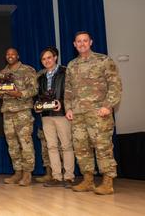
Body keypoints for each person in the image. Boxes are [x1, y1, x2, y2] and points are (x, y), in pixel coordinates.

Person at [64, 31, 122, 195]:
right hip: (78, 114)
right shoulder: (71, 65)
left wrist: (108, 105)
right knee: (81, 148)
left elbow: (115, 85)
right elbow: (68, 89)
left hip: (99, 113)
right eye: (78, 41)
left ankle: (108, 182)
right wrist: (68, 108)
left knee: (102, 146)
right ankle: (88, 180)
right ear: (74, 45)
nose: (82, 44)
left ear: (91, 42)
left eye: (85, 41)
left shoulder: (103, 60)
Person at [0, 48, 38, 186]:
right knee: (12, 145)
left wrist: (19, 94)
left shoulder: (28, 70)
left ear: (17, 55)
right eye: (8, 54)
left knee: (25, 144)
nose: (10, 56)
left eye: (12, 54)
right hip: (8, 113)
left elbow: (34, 89)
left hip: (23, 112)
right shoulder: (2, 73)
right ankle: (17, 172)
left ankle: (27, 174)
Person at [36, 46, 74, 187]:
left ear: (55, 57)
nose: (47, 61)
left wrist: (62, 104)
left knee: (66, 145)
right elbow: (39, 96)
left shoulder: (65, 72)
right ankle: (56, 177)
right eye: (44, 59)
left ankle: (69, 177)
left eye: (49, 57)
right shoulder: (40, 77)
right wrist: (38, 106)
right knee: (51, 146)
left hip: (62, 114)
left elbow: (71, 92)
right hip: (46, 116)